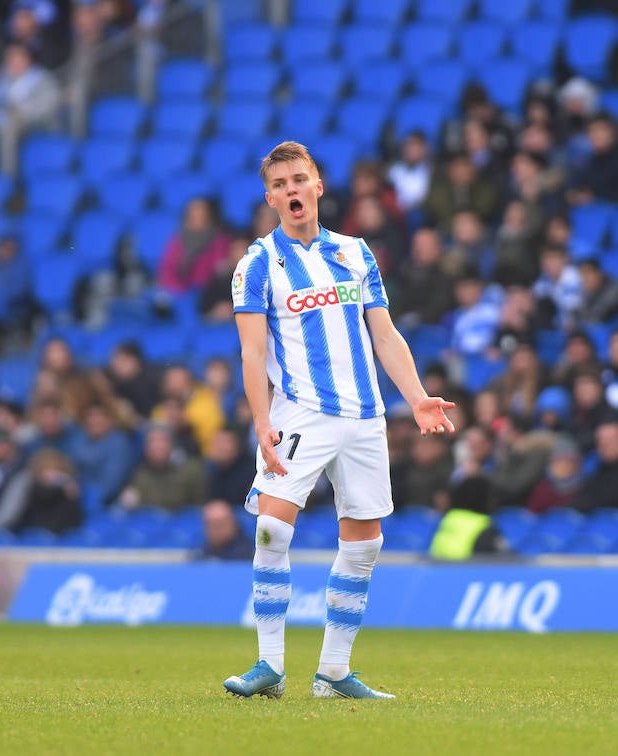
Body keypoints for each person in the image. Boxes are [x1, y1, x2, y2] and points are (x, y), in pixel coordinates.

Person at [222, 141, 456, 701]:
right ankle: (269, 664)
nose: (292, 190)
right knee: (272, 528)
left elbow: (384, 333)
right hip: (300, 411)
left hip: (365, 416)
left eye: (299, 179)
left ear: (318, 186)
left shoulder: (355, 252)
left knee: (364, 545)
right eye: (280, 185)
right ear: (270, 198)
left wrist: (417, 397)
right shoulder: (257, 264)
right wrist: (260, 422)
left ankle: (332, 672)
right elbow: (252, 353)